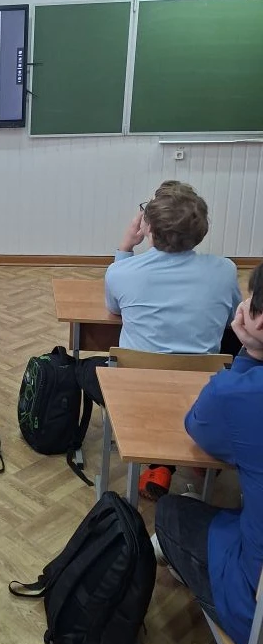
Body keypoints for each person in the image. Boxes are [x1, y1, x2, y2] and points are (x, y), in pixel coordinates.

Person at [105, 180, 242, 498]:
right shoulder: (225, 270)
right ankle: (201, 449)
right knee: (232, 346)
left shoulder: (122, 272)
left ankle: (161, 465)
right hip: (201, 384)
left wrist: (125, 249)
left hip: (136, 386)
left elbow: (114, 309)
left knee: (89, 369)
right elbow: (232, 320)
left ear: (148, 229)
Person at [154, 262, 263, 644]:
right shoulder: (222, 269)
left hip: (254, 610)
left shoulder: (238, 394)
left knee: (172, 511)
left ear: (258, 319)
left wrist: (250, 353)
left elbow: (198, 426)